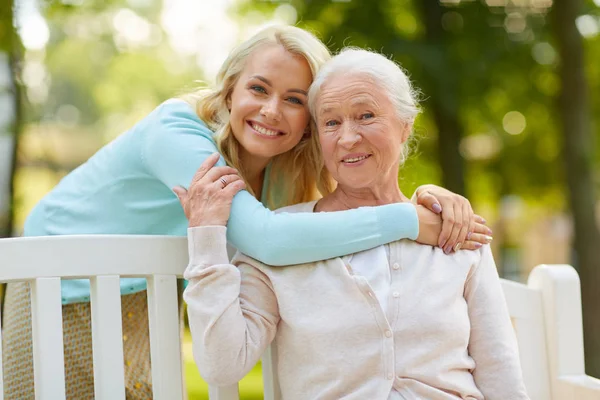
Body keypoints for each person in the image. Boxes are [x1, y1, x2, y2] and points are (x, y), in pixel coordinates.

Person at [1, 25, 489, 399]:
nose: (272, 110)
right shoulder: (177, 131)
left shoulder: (279, 173)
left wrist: (424, 197)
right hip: (62, 280)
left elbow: (334, 216)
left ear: (308, 124)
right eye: (259, 89)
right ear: (230, 91)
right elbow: (272, 241)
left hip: (147, 292)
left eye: (295, 100)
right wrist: (409, 221)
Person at [181, 48, 528, 399]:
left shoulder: (452, 229)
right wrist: (206, 238)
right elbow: (221, 365)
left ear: (405, 126)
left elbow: (499, 367)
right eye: (331, 123)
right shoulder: (285, 238)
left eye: (365, 116)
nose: (347, 138)